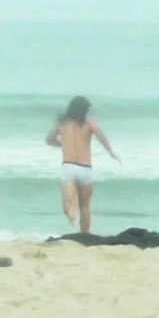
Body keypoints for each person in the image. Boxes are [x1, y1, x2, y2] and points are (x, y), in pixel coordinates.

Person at [44, 95, 117, 236]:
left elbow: (49, 140)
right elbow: (102, 137)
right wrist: (111, 152)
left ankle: (72, 214)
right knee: (85, 206)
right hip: (85, 168)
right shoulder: (89, 124)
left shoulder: (62, 124)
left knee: (68, 204)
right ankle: (85, 235)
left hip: (69, 167)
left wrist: (61, 144)